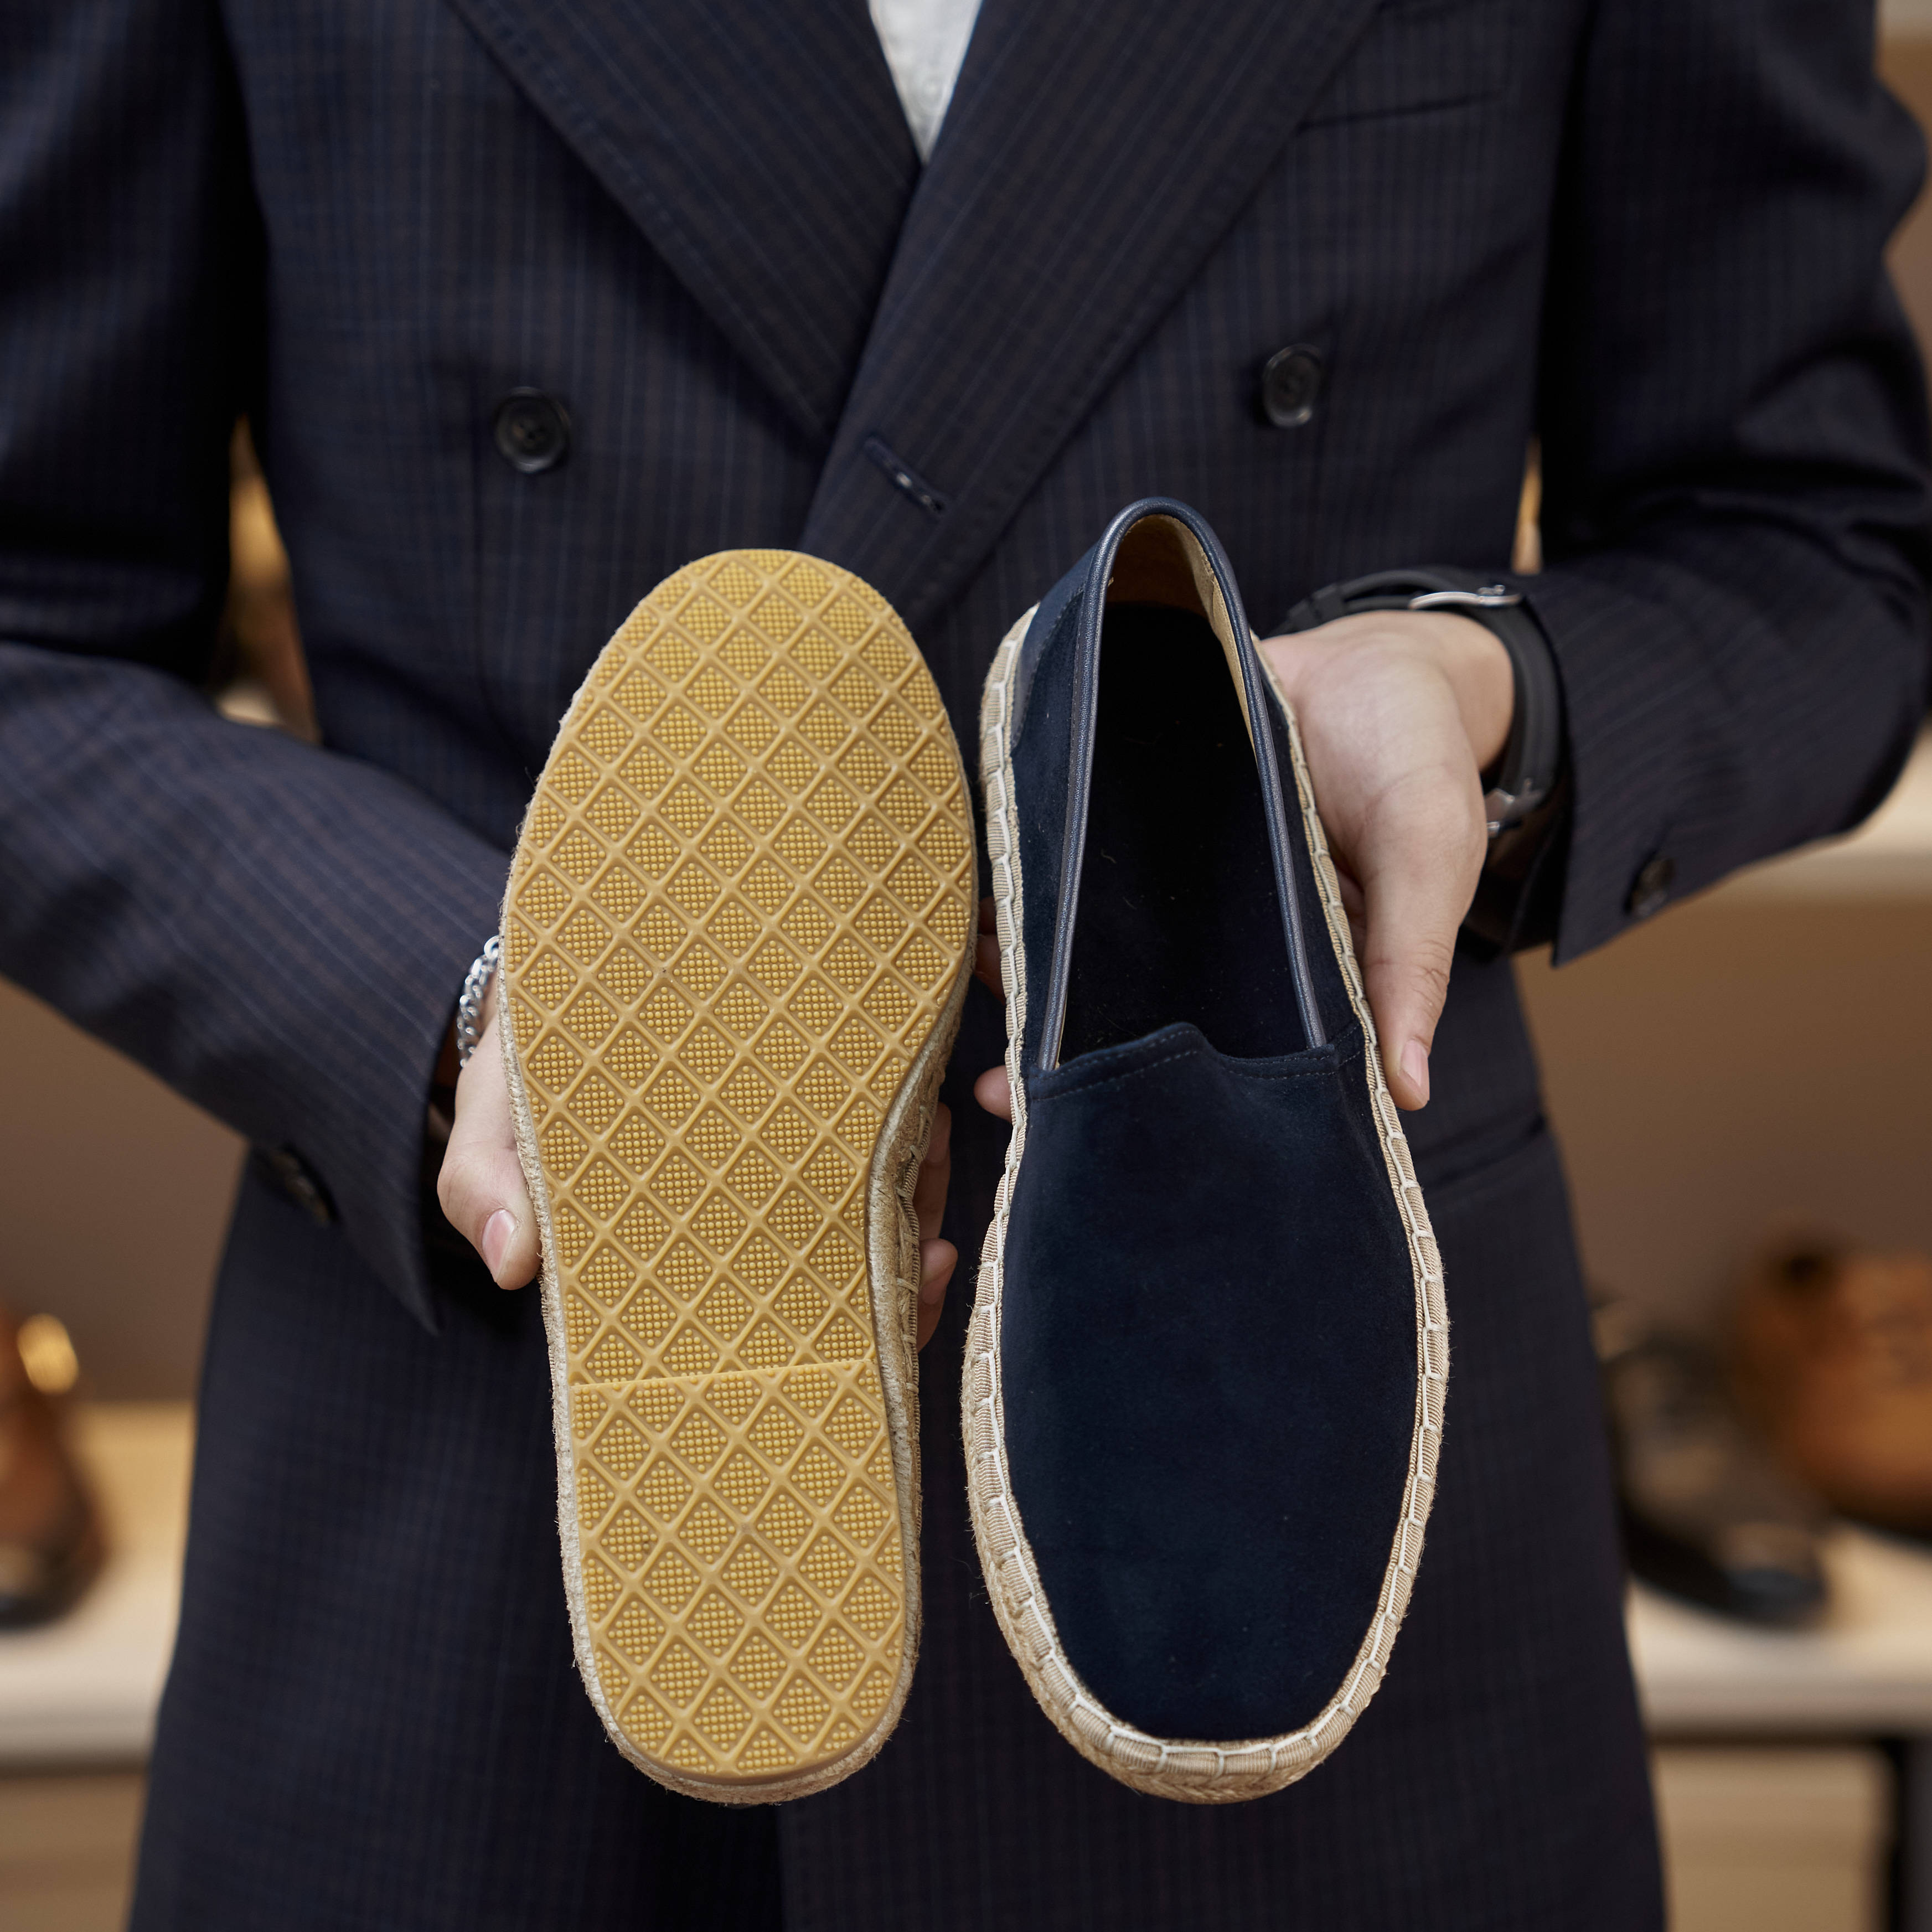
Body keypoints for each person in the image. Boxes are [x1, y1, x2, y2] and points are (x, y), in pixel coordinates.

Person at [2, 0, 1926, 1925]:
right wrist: (499, 1002)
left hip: (1288, 1435)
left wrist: (1481, 688)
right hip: (493, 1493)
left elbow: (1818, 546)